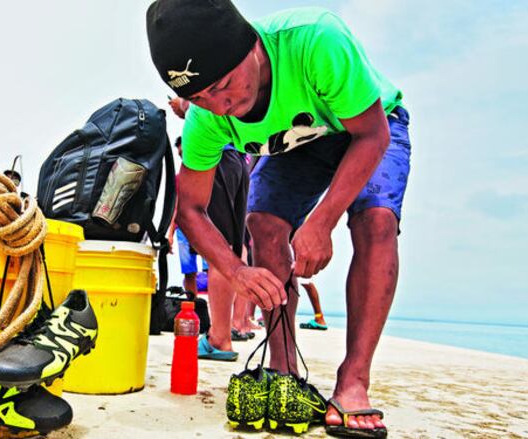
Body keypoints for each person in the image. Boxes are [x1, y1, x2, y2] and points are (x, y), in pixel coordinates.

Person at [147, 0, 410, 436]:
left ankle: (353, 380)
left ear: (253, 44)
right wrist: (236, 271)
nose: (220, 106)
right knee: (263, 225)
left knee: (375, 220)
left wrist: (322, 222)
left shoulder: (315, 39)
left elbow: (372, 135)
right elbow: (190, 209)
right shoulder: (206, 117)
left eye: (224, 85)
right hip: (297, 144)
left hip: (368, 124)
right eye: (198, 97)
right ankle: (284, 369)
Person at [168, 115, 250, 360]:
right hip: (237, 157)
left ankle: (220, 339)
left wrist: (182, 105)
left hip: (218, 156)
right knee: (232, 249)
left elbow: (196, 105)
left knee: (220, 251)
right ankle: (226, 331)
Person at [167, 137, 210, 297]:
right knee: (189, 271)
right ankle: (192, 305)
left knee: (212, 268)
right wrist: (170, 234)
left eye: (185, 152)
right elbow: (175, 207)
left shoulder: (209, 171)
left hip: (207, 225)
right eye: (180, 155)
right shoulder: (178, 179)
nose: (183, 157)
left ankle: (217, 308)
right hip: (184, 230)